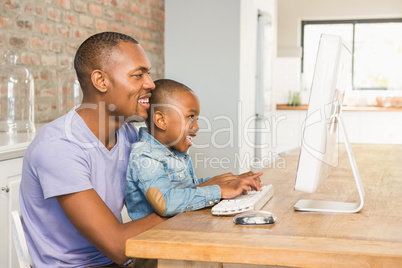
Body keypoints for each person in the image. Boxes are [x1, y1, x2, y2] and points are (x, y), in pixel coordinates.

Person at [19, 32, 262, 267]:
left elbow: (162, 191)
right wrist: (199, 194)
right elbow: (116, 245)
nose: (150, 84)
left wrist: (214, 187)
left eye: (148, 74)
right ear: (101, 81)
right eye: (138, 75)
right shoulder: (60, 146)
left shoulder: (126, 135)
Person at [125, 79, 263, 221]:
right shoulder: (145, 155)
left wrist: (233, 181)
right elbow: (165, 202)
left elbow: (188, 190)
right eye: (190, 117)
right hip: (154, 238)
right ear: (161, 120)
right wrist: (219, 191)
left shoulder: (174, 152)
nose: (196, 127)